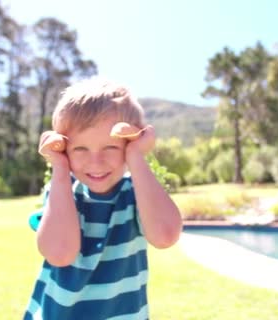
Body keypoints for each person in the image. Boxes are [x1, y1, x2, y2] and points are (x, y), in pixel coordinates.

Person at [24, 78, 183, 320]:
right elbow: (59, 254)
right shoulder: (61, 195)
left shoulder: (136, 193)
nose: (95, 162)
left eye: (110, 148)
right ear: (63, 150)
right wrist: (58, 165)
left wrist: (136, 155)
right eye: (80, 149)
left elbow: (165, 236)